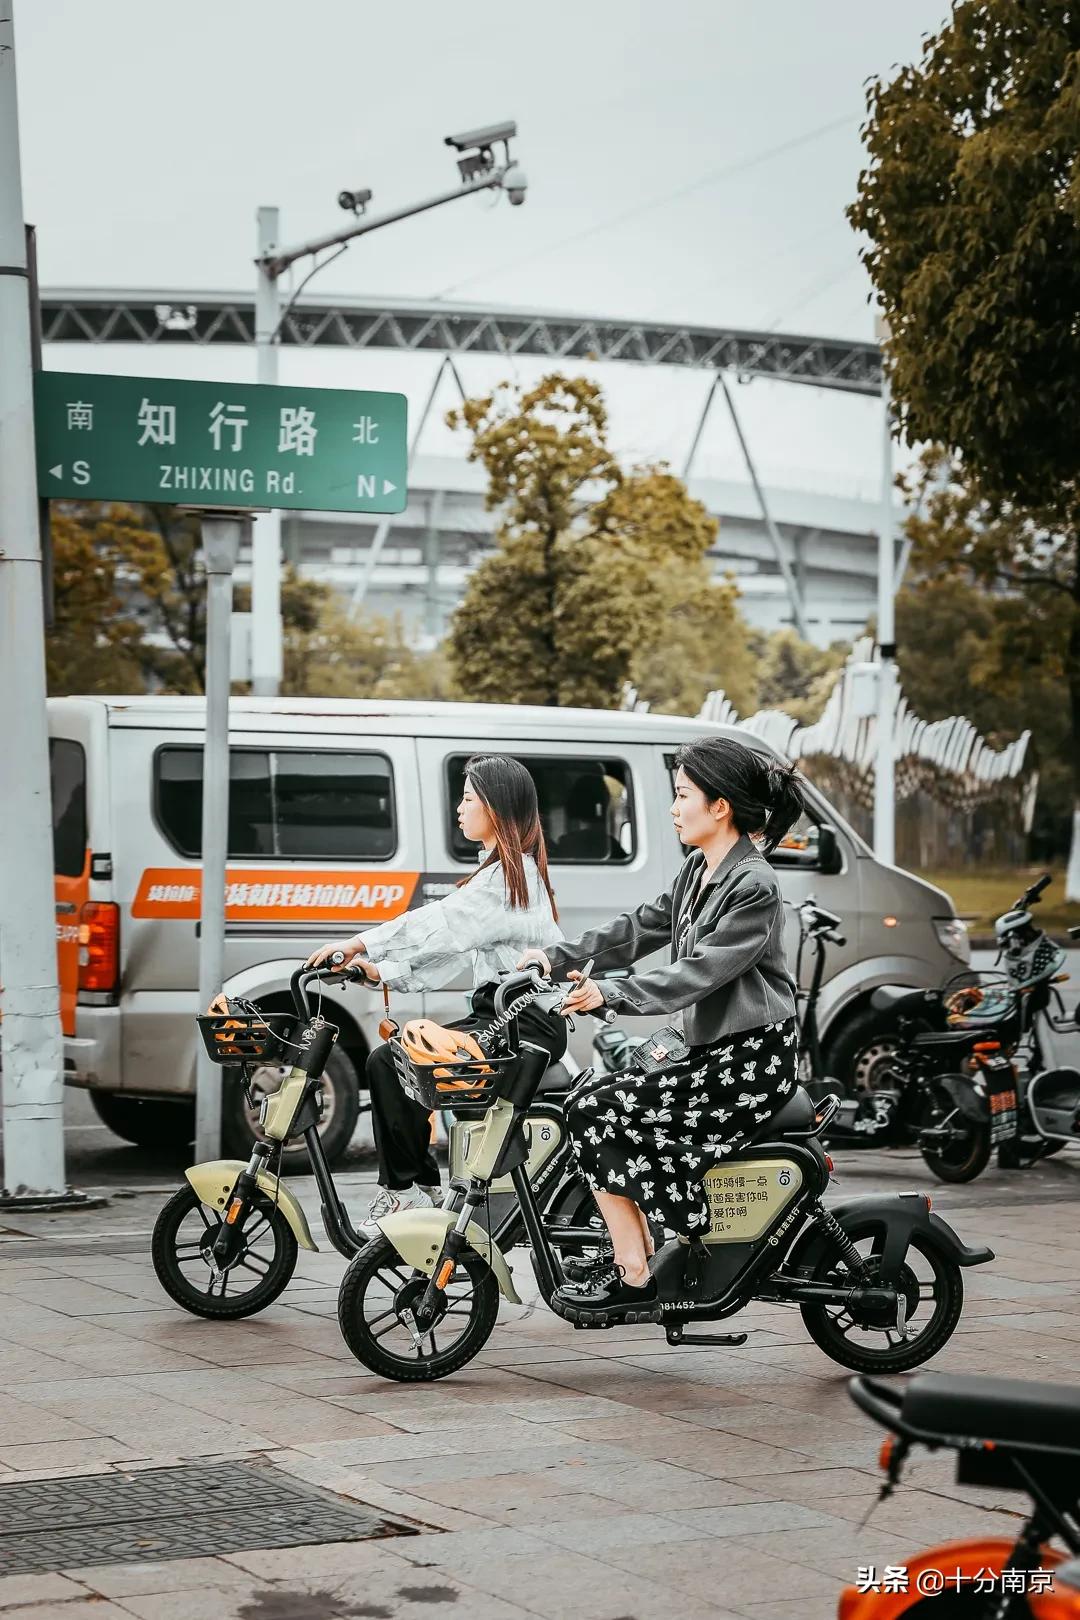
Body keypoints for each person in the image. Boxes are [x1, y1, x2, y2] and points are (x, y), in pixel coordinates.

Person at [518, 737, 805, 1320]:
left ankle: (638, 1269)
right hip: (708, 1048)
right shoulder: (699, 869)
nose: (673, 808)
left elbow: (697, 975)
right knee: (588, 1099)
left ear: (719, 806)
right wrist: (556, 958)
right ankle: (642, 1250)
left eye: (682, 795)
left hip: (746, 1060)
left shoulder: (754, 884)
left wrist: (612, 993)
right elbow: (637, 928)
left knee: (596, 1112)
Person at [305, 755, 565, 1234]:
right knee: (396, 1061)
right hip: (508, 1016)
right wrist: (378, 972)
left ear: (497, 809)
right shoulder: (504, 875)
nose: (460, 810)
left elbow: (437, 925)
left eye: (468, 799)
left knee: (395, 1061)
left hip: (521, 1020)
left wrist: (360, 943)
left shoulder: (507, 879)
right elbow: (450, 954)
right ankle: (421, 1191)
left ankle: (409, 1193)